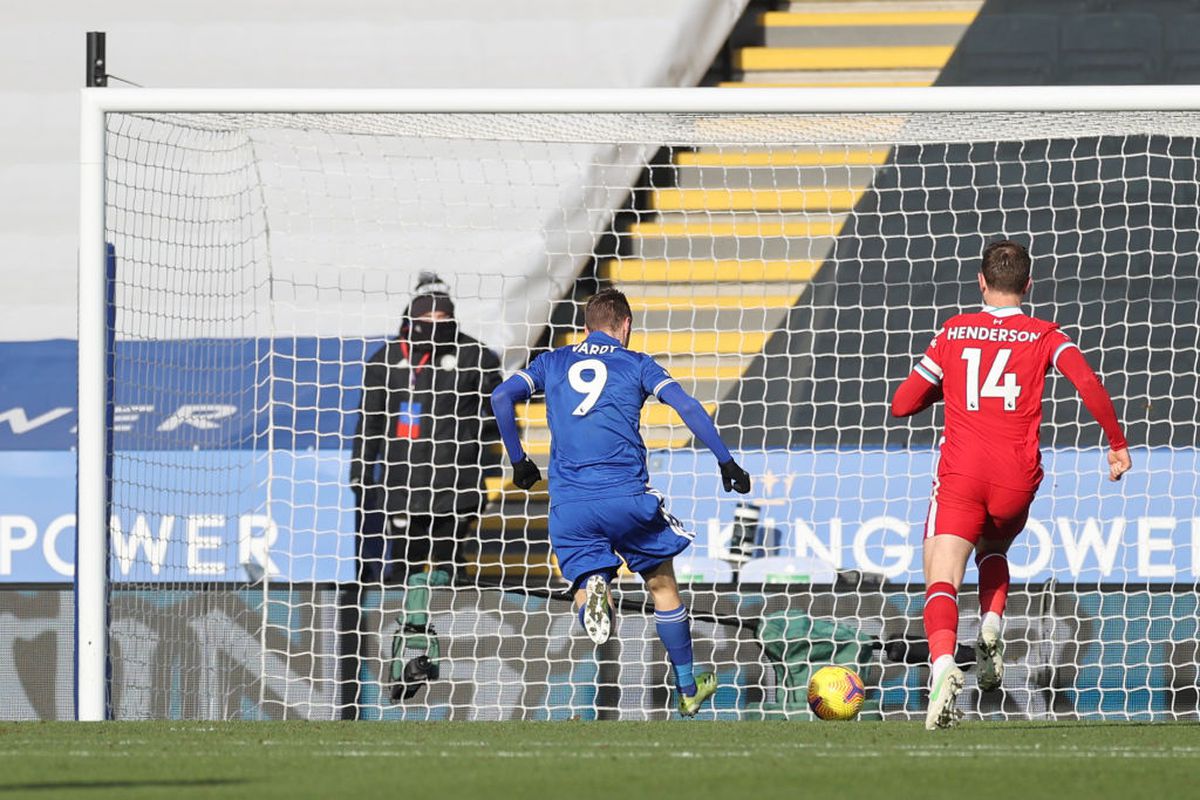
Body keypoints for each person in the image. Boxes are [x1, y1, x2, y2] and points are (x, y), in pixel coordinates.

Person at [891, 240, 1131, 730]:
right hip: (1016, 479)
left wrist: (947, 385)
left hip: (963, 473)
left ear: (981, 281)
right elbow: (1087, 383)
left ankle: (941, 667)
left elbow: (903, 403)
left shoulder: (954, 332)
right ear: (1028, 285)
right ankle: (993, 623)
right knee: (994, 545)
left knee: (941, 572)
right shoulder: (1045, 335)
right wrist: (1116, 442)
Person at [490, 288, 751, 718]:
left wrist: (519, 462)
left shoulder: (551, 361)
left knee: (586, 584)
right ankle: (687, 688)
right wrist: (727, 461)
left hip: (570, 505)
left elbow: (501, 397)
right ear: (624, 325)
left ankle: (596, 591)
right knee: (662, 585)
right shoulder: (636, 363)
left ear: (586, 324)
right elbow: (686, 405)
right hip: (625, 496)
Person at [350, 272, 503, 582]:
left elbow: (498, 410)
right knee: (406, 566)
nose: (436, 321)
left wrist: (475, 432)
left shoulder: (474, 354)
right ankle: (401, 627)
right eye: (429, 315)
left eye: (443, 315)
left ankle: (454, 624)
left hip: (457, 484)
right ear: (414, 315)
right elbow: (370, 421)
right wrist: (361, 470)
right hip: (403, 486)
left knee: (450, 567)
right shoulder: (387, 360)